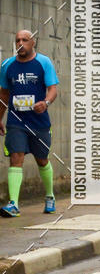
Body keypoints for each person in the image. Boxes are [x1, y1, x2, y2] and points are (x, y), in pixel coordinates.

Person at [0, 30, 59, 217]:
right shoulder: (7, 65)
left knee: (42, 160)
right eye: (17, 40)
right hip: (16, 122)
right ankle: (13, 204)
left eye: (25, 40)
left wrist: (46, 103)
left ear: (33, 42)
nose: (20, 43)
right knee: (16, 156)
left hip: (39, 122)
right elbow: (3, 95)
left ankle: (50, 196)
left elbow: (53, 90)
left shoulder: (43, 63)